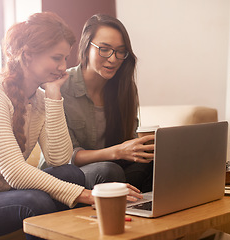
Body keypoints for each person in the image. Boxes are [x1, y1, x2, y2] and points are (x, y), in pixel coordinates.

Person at [0, 12, 142, 240]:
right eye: (56, 58)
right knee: (34, 202)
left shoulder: (39, 99)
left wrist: (54, 95)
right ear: (27, 55)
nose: (63, 66)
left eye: (65, 58)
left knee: (71, 173)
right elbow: (15, 172)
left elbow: (59, 159)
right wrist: (87, 195)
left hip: (1, 193)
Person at [39, 14, 155, 192]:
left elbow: (128, 141)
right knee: (108, 171)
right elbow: (67, 157)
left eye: (120, 51)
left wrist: (143, 149)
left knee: (156, 164)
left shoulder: (125, 88)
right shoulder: (60, 87)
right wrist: (116, 152)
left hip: (111, 169)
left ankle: (144, 212)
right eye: (104, 49)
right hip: (66, 173)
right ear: (86, 48)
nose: (113, 58)